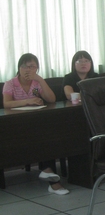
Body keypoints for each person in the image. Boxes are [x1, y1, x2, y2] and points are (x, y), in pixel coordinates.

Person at [2, 53, 69, 195]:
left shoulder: (36, 84)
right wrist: (28, 101)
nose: (28, 69)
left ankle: (49, 174)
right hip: (16, 125)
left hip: (35, 123)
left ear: (37, 69)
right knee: (41, 137)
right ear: (19, 68)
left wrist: (40, 79)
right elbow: (6, 103)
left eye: (32, 66)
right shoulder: (11, 83)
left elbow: (51, 99)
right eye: (24, 66)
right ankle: (51, 178)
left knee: (48, 136)